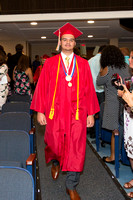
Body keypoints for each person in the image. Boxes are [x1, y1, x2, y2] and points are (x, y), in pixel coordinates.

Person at [30, 22, 100, 200]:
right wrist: (40, 111)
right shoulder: (50, 64)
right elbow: (42, 87)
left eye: (71, 40)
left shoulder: (83, 64)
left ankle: (71, 186)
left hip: (77, 113)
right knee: (54, 143)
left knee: (76, 149)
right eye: (64, 40)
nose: (68, 43)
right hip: (55, 113)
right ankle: (55, 162)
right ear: (60, 42)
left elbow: (89, 90)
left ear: (75, 43)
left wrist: (90, 113)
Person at [97, 45, 130, 164]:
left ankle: (113, 157)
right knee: (125, 131)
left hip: (112, 103)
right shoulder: (126, 66)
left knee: (114, 132)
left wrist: (102, 69)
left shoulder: (107, 68)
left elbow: (98, 82)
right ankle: (125, 156)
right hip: (126, 101)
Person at [117, 49, 133, 198]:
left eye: (132, 58)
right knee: (131, 152)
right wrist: (124, 92)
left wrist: (129, 99)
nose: (129, 61)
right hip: (130, 119)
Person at [88, 45, 106, 139]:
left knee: (91, 113)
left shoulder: (89, 60)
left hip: (91, 90)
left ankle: (92, 133)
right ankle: (101, 134)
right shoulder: (104, 61)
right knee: (102, 113)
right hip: (101, 90)